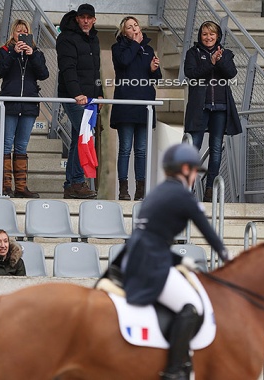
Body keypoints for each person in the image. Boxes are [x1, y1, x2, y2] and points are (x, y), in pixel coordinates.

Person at [104, 143, 229, 380]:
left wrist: (178, 259)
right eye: (194, 172)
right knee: (192, 306)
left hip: (133, 259)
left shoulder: (158, 191)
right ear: (184, 169)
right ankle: (173, 371)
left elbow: (152, 236)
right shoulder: (182, 195)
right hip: (151, 264)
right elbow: (208, 232)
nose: (195, 177)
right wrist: (226, 256)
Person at [183, 20, 242, 202]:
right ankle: (188, 188)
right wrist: (210, 62)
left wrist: (219, 59)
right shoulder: (193, 53)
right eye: (205, 34)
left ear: (218, 36)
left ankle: (210, 190)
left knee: (216, 148)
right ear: (200, 36)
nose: (208, 37)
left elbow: (231, 73)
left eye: (212, 34)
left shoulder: (226, 54)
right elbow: (191, 73)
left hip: (221, 107)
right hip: (199, 107)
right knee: (194, 147)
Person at [0, 19, 49, 198]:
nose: (21, 35)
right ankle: (5, 187)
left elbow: (44, 74)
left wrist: (31, 55)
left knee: (22, 146)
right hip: (9, 104)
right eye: (18, 32)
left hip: (29, 105)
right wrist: (13, 54)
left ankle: (21, 188)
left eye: (25, 32)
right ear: (13, 34)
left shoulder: (36, 53)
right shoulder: (4, 50)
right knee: (6, 143)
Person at [110, 16, 162, 201]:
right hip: (125, 105)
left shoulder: (148, 49)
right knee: (125, 148)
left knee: (141, 149)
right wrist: (135, 44)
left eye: (136, 25)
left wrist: (154, 69)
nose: (134, 29)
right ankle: (123, 188)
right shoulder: (118, 48)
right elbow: (124, 62)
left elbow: (157, 79)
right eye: (130, 27)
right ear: (124, 32)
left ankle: (141, 188)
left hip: (144, 105)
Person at [56, 3, 102, 199]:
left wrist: (99, 93)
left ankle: (71, 184)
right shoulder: (66, 38)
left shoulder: (94, 39)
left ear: (94, 20)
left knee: (78, 139)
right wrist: (76, 94)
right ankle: (76, 181)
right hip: (73, 97)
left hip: (90, 98)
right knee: (84, 136)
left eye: (89, 17)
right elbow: (68, 68)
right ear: (77, 18)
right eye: (82, 17)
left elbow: (95, 71)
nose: (85, 21)